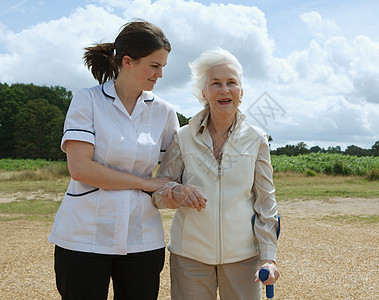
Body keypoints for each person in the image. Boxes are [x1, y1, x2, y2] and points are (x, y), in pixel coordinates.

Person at [48, 20, 202, 300]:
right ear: (128, 62)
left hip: (142, 237)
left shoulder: (165, 112)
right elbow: (81, 169)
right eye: (155, 66)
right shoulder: (87, 101)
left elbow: (175, 172)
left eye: (163, 67)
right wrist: (146, 182)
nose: (160, 75)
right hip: (83, 236)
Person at [152, 47, 280, 300]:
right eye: (215, 83)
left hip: (243, 258)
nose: (224, 90)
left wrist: (268, 259)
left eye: (231, 83)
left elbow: (266, 204)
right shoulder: (182, 137)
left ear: (241, 93)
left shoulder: (257, 139)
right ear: (204, 93)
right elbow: (158, 191)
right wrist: (174, 192)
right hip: (190, 257)